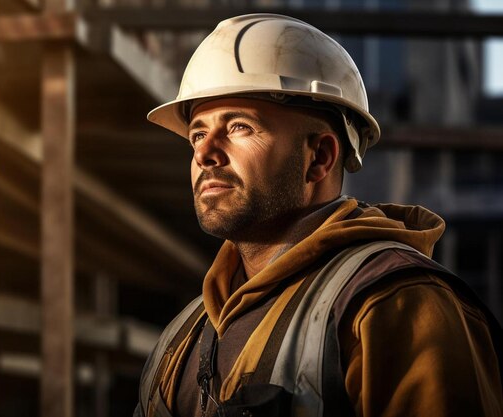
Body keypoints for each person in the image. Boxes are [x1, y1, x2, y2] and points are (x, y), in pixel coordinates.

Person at [134, 14, 503, 417]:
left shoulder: (398, 306)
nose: (205, 154)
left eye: (239, 126)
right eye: (199, 134)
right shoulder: (180, 338)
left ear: (320, 158)